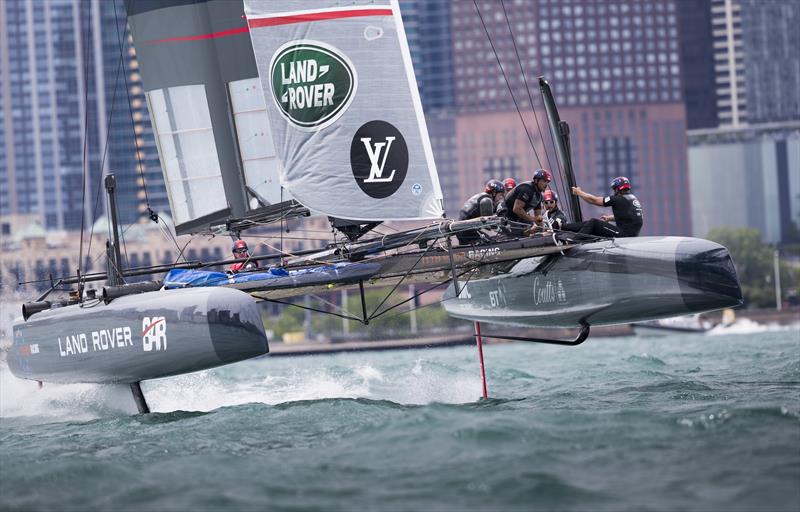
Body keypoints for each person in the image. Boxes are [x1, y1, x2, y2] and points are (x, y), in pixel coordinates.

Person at [565, 176, 643, 238]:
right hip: (632, 236)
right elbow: (628, 217)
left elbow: (594, 200)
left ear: (617, 189)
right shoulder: (632, 199)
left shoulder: (617, 199)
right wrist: (609, 218)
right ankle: (564, 227)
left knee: (594, 223)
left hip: (624, 235)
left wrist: (579, 193)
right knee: (588, 224)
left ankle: (573, 240)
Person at [499, 169, 552, 236]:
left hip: (517, 216)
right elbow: (517, 209)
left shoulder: (539, 196)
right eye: (544, 181)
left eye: (547, 182)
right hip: (505, 214)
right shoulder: (526, 189)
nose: (546, 184)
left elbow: (538, 218)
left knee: (533, 229)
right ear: (536, 180)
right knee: (519, 234)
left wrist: (544, 229)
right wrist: (533, 219)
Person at [456, 179, 505, 245]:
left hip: (461, 229)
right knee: (490, 243)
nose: (500, 198)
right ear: (494, 193)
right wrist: (500, 227)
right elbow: (488, 223)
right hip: (465, 230)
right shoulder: (486, 201)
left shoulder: (483, 197)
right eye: (500, 195)